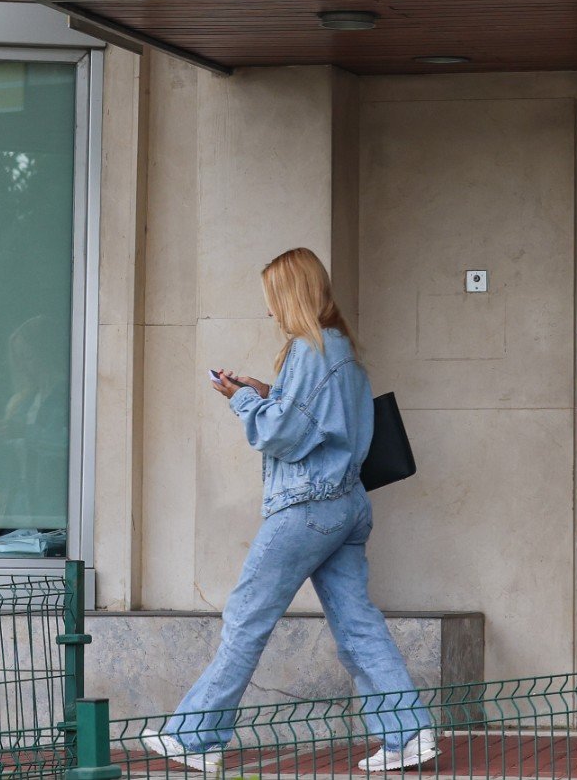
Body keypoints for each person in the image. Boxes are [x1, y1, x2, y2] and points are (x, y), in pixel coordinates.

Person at [139, 247, 437, 773]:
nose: (270, 312)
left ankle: (197, 737)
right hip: (346, 506)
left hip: (307, 507)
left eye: (273, 300)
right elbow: (314, 418)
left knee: (247, 616)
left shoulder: (310, 349)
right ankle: (407, 736)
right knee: (358, 624)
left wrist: (242, 401)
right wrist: (263, 390)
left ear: (291, 296)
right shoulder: (342, 350)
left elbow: (282, 434)